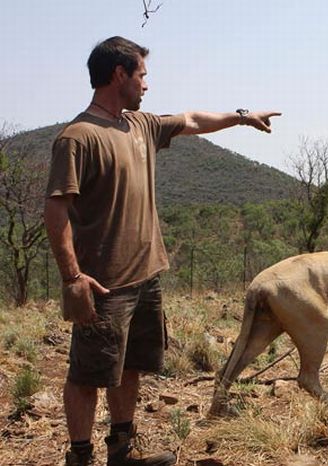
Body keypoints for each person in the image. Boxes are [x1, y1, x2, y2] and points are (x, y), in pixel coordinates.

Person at [44, 36, 281, 466]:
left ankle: (121, 450)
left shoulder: (141, 126)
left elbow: (191, 119)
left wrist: (242, 117)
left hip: (145, 277)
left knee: (129, 366)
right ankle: (80, 457)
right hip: (102, 284)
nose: (147, 85)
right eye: (142, 75)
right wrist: (72, 278)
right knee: (86, 374)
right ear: (120, 76)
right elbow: (55, 211)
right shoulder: (77, 138)